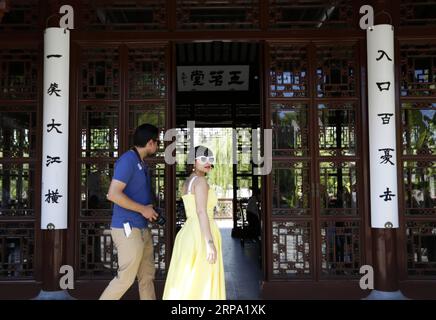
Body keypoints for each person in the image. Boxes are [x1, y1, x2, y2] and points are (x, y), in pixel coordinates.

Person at [99, 123, 160, 300]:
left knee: (147, 277)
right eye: (157, 142)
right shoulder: (128, 161)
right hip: (127, 227)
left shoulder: (140, 162)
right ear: (150, 142)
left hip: (141, 227)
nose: (157, 146)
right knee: (125, 279)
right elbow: (113, 194)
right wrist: (143, 209)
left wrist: (148, 210)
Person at [163, 146, 226, 300]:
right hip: (201, 233)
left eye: (210, 159)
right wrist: (209, 243)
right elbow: (201, 211)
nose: (208, 162)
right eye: (203, 158)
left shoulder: (187, 182)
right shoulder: (201, 181)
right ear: (193, 161)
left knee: (188, 279)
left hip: (188, 232)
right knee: (202, 280)